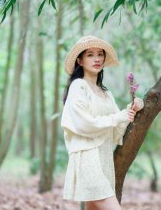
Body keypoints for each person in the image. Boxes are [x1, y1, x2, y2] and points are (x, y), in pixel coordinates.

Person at [61, 36, 144, 210]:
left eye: (100, 54)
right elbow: (84, 124)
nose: (97, 58)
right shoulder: (78, 86)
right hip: (87, 158)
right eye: (90, 55)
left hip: (104, 158)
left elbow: (115, 132)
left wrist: (132, 109)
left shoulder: (106, 94)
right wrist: (118, 117)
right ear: (80, 60)